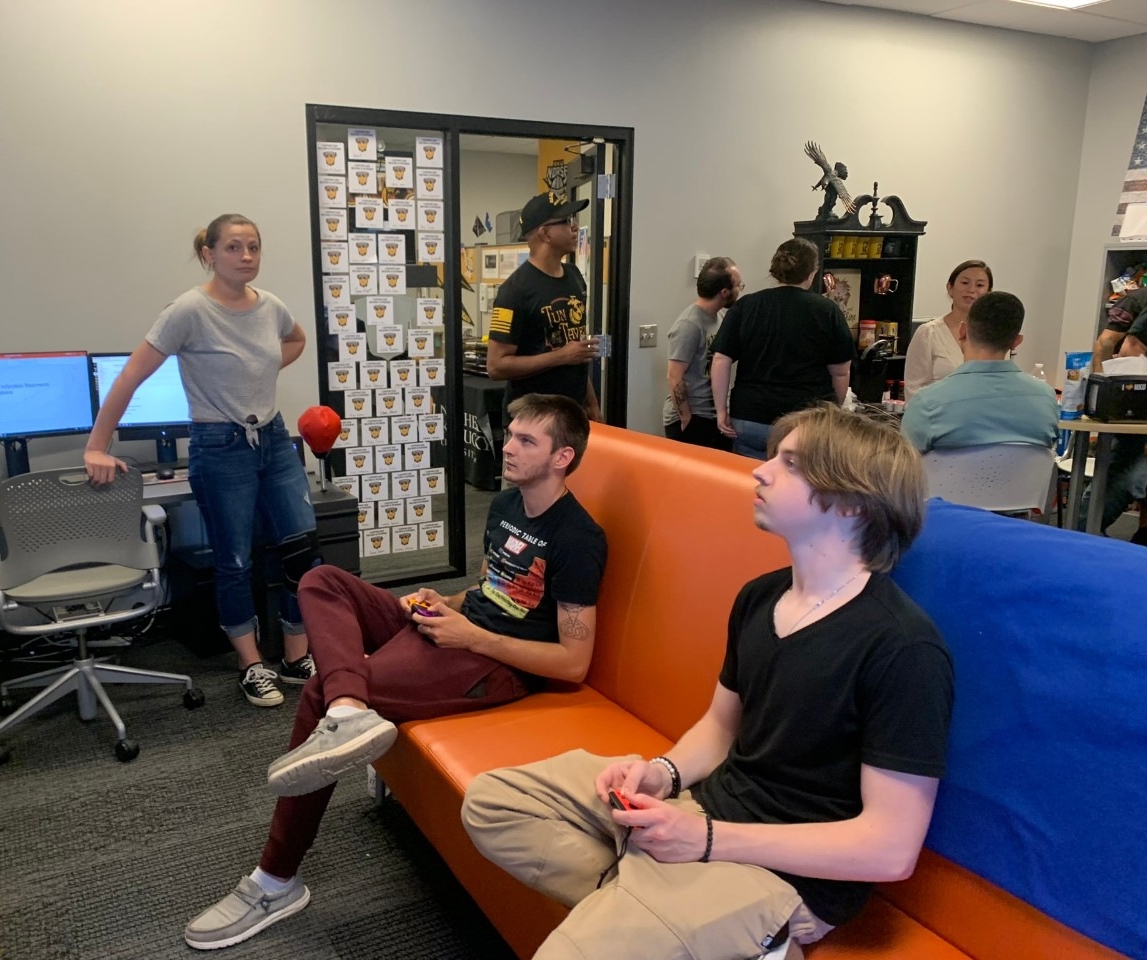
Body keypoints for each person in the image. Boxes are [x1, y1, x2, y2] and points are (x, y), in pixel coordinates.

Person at [462, 404, 953, 960]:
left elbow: (889, 850)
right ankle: (642, 900)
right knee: (493, 802)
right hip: (707, 809)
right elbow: (720, 728)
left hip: (784, 872)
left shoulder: (904, 648)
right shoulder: (761, 597)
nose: (760, 471)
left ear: (850, 502)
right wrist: (660, 774)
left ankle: (738, 927)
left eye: (788, 464)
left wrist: (708, 841)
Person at [184, 394, 607, 951]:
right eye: (509, 434)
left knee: (316, 688)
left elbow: (574, 664)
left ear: (562, 458)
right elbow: (490, 591)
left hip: (494, 668)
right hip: (457, 634)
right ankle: (349, 712)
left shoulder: (579, 538)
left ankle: (275, 880)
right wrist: (445, 602)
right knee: (320, 581)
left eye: (527, 440)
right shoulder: (506, 505)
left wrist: (470, 635)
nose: (506, 446)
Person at [84, 214, 319, 709]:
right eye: (234, 247)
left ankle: (297, 657)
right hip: (219, 444)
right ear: (209, 254)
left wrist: (264, 367)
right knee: (234, 560)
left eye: (254, 247)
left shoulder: (270, 306)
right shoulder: (188, 311)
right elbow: (129, 375)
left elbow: (295, 340)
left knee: (301, 551)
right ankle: (250, 664)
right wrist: (96, 446)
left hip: (274, 440)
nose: (247, 256)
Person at [710, 238, 855, 459]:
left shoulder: (746, 306)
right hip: (806, 420)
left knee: (750, 483)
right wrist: (832, 414)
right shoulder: (827, 311)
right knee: (797, 485)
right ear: (812, 272)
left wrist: (721, 410)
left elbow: (721, 360)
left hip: (751, 416)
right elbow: (840, 371)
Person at [487, 192, 602, 422]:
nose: (575, 227)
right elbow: (496, 366)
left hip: (572, 417)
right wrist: (561, 356)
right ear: (545, 233)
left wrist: (592, 405)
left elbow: (576, 353)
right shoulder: (514, 290)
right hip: (530, 421)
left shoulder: (574, 276)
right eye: (566, 221)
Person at [901, 292, 1058, 453]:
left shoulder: (927, 404)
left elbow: (904, 469)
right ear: (1016, 342)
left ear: (962, 332)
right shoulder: (1046, 399)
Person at [662, 257, 742, 450]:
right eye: (739, 285)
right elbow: (674, 376)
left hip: (714, 416)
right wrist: (686, 417)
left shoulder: (720, 316)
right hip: (692, 418)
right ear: (724, 292)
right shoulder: (689, 324)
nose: (740, 289)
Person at [1090, 288, 1147, 544]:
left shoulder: (1137, 298)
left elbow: (1106, 344)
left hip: (1130, 414)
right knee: (1125, 478)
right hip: (1134, 417)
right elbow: (1127, 349)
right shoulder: (1137, 300)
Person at [904, 260, 993, 396]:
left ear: (988, 293)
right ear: (950, 288)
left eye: (980, 285)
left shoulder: (995, 334)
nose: (971, 290)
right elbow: (914, 389)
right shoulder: (929, 332)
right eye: (965, 283)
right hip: (937, 414)